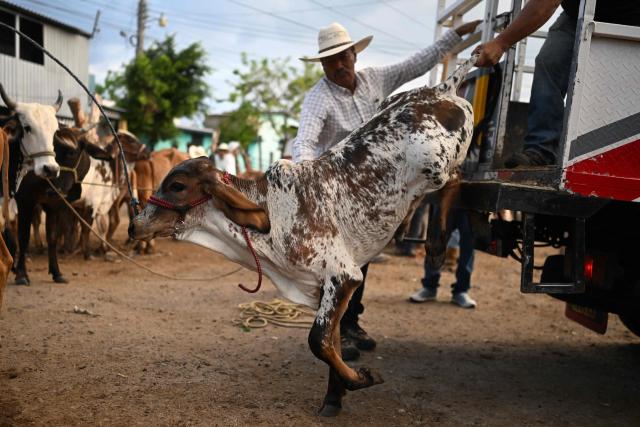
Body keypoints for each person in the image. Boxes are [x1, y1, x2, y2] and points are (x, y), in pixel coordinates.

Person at [293, 20, 481, 360]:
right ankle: (337, 328)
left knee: (362, 260)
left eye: (342, 56)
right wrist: (306, 177)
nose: (338, 65)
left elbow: (417, 63)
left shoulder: (374, 79)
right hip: (341, 188)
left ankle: (350, 323)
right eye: (330, 61)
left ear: (354, 54)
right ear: (322, 65)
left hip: (379, 187)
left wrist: (456, 36)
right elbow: (305, 140)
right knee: (344, 262)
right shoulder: (318, 99)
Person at [473, 0, 640, 167]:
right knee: (549, 61)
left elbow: (546, 3)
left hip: (630, 18)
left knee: (608, 85)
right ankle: (541, 150)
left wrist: (501, 43)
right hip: (580, 12)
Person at [409, 207, 477, 308]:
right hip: (446, 199)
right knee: (436, 239)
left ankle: (461, 290)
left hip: (472, 202)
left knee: (468, 246)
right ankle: (429, 286)